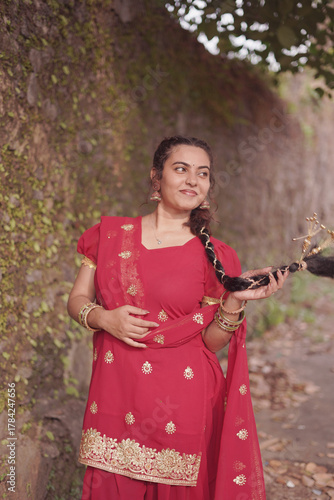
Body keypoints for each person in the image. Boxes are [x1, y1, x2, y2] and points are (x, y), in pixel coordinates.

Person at [67, 136, 289, 500]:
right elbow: (76, 299)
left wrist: (232, 301)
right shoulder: (107, 237)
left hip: (182, 401)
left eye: (203, 174)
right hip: (116, 395)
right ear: (156, 178)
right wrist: (104, 319)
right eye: (181, 169)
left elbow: (210, 342)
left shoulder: (215, 256)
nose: (193, 181)